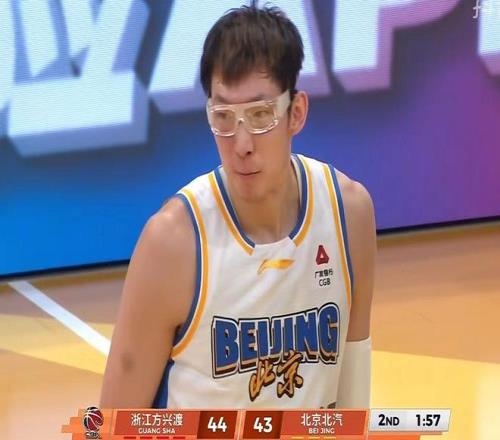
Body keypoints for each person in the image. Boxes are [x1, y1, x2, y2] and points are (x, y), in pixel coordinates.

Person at [100, 1, 376, 409]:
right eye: (224, 116)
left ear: (296, 112)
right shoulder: (173, 242)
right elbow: (113, 422)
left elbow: (353, 405)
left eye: (260, 115)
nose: (241, 144)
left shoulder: (348, 214)